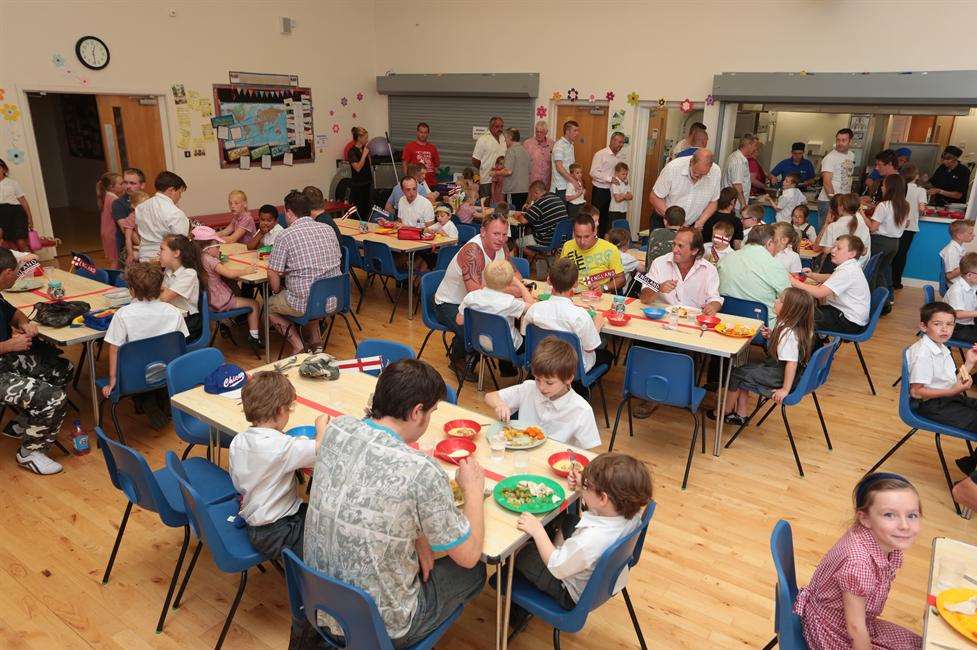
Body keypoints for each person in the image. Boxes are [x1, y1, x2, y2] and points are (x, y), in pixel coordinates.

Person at [302, 360, 487, 648]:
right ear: (417, 412)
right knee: (473, 571)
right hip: (380, 627)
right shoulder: (423, 470)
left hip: (319, 604)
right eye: (431, 412)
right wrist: (473, 490)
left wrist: (420, 538)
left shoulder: (338, 430)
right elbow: (469, 555)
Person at [507, 452, 653, 636]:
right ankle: (554, 542)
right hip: (602, 576)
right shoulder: (630, 511)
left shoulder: (590, 541)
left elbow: (556, 566)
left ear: (603, 498)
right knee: (568, 521)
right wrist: (583, 489)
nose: (584, 487)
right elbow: (598, 508)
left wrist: (537, 531)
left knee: (521, 551)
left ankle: (517, 607)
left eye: (587, 486)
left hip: (569, 591)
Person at [794, 473, 922, 649]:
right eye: (889, 515)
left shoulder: (879, 539)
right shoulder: (858, 564)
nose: (905, 525)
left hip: (854, 621)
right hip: (832, 631)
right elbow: (855, 627)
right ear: (865, 518)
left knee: (919, 644)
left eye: (912, 515)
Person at [229, 371, 328, 559]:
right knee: (328, 541)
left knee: (321, 516)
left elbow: (237, 481)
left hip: (256, 522)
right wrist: (322, 425)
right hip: (278, 532)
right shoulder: (281, 448)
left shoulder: (238, 441)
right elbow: (320, 449)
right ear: (281, 410)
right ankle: (310, 579)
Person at [0, 248, 71, 475]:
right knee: (54, 398)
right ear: (7, 272)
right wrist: (7, 346)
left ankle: (23, 423)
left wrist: (23, 323)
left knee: (62, 369)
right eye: (15, 273)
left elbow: (13, 313)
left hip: (5, 361)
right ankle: (30, 453)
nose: (16, 277)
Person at [434, 213, 523, 379]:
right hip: (449, 303)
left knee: (509, 314)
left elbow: (516, 274)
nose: (501, 239)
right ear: (483, 232)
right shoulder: (473, 251)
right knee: (479, 322)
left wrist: (517, 287)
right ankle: (458, 359)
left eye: (504, 234)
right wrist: (512, 291)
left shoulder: (501, 246)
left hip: (474, 300)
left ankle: (505, 360)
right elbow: (475, 293)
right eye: (496, 234)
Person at [102, 262, 188, 428]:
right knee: (156, 363)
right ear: (161, 287)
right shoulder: (173, 312)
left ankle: (145, 400)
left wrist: (113, 380)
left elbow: (114, 348)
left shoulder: (122, 314)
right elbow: (180, 343)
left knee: (134, 364)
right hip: (165, 370)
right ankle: (161, 397)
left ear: (132, 290)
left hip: (134, 375)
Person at [715, 287, 815, 425]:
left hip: (778, 376)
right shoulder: (789, 324)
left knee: (736, 373)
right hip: (775, 369)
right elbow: (782, 348)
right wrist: (772, 336)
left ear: (789, 309)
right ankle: (740, 414)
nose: (775, 301)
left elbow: (791, 363)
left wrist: (785, 389)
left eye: (780, 300)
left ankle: (724, 411)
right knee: (743, 370)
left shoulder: (789, 333)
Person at [486, 337, 600, 449]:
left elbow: (588, 452)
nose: (541, 387)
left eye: (549, 383)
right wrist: (500, 405)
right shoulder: (529, 388)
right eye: (537, 379)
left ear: (568, 379)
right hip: (522, 454)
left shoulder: (581, 410)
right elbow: (490, 396)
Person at [267, 191, 342, 355]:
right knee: (312, 290)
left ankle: (297, 345)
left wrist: (276, 290)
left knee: (269, 306)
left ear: (288, 212)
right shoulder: (328, 229)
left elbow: (273, 273)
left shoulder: (285, 235)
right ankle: (316, 342)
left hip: (306, 302)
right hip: (334, 299)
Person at [522, 258, 609, 373]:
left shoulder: (534, 309)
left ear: (548, 280)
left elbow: (525, 334)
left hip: (542, 361)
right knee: (607, 357)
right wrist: (597, 325)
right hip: (573, 367)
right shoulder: (580, 316)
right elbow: (590, 348)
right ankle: (580, 388)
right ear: (576, 284)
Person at [192, 226, 262, 346]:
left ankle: (228, 323)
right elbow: (229, 274)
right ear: (208, 249)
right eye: (217, 246)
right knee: (254, 304)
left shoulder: (196, 258)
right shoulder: (211, 260)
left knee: (234, 288)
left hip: (207, 302)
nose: (219, 248)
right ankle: (254, 337)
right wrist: (246, 270)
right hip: (219, 301)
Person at [456, 259, 534, 363]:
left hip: (479, 343)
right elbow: (533, 307)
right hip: (507, 347)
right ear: (509, 283)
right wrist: (519, 284)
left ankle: (506, 369)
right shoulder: (509, 303)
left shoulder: (471, 297)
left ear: (484, 277)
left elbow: (459, 321)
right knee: (531, 338)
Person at [791, 235, 870, 334]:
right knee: (805, 312)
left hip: (849, 322)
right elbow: (831, 278)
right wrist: (811, 275)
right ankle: (816, 343)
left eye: (839, 248)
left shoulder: (847, 271)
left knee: (798, 317)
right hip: (849, 315)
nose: (833, 251)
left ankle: (813, 347)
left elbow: (819, 293)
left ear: (852, 253)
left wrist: (794, 281)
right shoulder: (850, 266)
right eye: (833, 247)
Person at [717, 224, 790, 326]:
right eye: (775, 244)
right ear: (769, 243)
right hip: (760, 328)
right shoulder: (774, 265)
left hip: (724, 323)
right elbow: (789, 300)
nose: (777, 250)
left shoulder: (725, 259)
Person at [640, 227, 722, 315]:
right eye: (674, 244)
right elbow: (644, 298)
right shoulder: (659, 263)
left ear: (694, 250)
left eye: (680, 246)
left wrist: (713, 307)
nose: (674, 250)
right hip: (662, 317)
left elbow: (715, 299)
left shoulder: (709, 269)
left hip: (693, 320)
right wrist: (658, 287)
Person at [866, 174, 910, 311]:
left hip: (880, 242)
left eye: (884, 185)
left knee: (872, 273)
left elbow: (873, 228)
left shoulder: (884, 205)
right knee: (881, 272)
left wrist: (861, 214)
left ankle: (874, 305)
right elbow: (906, 224)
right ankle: (884, 303)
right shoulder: (905, 205)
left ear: (890, 188)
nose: (882, 187)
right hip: (895, 243)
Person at [654, 149, 721, 228]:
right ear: (691, 162)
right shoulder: (673, 168)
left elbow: (713, 202)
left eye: (703, 175)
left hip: (691, 225)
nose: (699, 178)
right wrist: (671, 218)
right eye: (696, 173)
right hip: (666, 221)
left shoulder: (716, 172)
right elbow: (655, 197)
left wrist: (701, 221)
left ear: (710, 167)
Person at [560, 214, 625, 291]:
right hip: (570, 293)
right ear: (573, 233)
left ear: (595, 232)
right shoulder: (568, 245)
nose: (582, 242)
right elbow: (560, 271)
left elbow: (621, 279)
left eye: (586, 236)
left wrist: (604, 287)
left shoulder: (610, 249)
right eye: (578, 237)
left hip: (596, 296)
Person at [158, 234, 204, 341]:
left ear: (176, 253)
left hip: (188, 322)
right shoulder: (168, 270)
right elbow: (160, 293)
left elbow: (163, 297)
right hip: (172, 317)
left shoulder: (189, 274)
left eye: (162, 249)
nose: (158, 253)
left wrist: (159, 290)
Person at [135, 171, 189, 262]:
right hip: (165, 260)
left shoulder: (140, 207)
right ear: (171, 190)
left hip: (144, 257)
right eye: (180, 192)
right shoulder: (174, 212)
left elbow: (138, 231)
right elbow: (181, 243)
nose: (180, 197)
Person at [891, 164, 927, 290]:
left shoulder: (899, 188)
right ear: (916, 176)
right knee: (902, 254)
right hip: (910, 226)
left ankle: (888, 279)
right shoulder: (920, 190)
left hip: (896, 224)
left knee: (893, 253)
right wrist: (923, 210)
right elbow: (922, 209)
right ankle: (896, 281)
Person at [815, 193, 870, 269]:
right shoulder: (861, 220)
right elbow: (864, 251)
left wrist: (826, 224)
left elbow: (825, 250)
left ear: (841, 207)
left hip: (838, 268)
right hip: (858, 265)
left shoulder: (833, 226)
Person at [816, 129, 856, 229]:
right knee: (825, 232)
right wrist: (835, 203)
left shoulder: (851, 155)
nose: (840, 143)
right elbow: (827, 182)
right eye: (838, 140)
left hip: (843, 202)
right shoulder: (830, 158)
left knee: (839, 233)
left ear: (850, 141)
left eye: (843, 140)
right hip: (829, 202)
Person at [590, 132, 627, 236]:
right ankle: (595, 239)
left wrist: (624, 179)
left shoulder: (620, 156)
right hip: (600, 191)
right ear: (612, 140)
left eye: (622, 143)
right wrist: (609, 179)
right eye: (619, 142)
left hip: (613, 192)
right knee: (597, 218)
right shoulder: (600, 154)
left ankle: (603, 240)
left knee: (608, 218)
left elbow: (619, 172)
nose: (621, 145)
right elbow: (592, 172)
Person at [516, 180, 568, 249]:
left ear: (536, 193)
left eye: (531, 194)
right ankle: (541, 257)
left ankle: (538, 257)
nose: (531, 197)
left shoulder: (539, 203)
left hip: (547, 241)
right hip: (562, 238)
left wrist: (517, 215)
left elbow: (523, 220)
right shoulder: (556, 197)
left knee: (517, 242)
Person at [112, 168, 145, 264]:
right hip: (129, 249)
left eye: (132, 183)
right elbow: (126, 230)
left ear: (142, 185)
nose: (128, 186)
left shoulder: (147, 201)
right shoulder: (118, 203)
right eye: (125, 183)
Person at [0, 158, 33, 252]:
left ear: (4, 169)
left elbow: (23, 201)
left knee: (21, 241)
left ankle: (31, 265)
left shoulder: (13, 183)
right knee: (9, 243)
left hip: (16, 213)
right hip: (1, 214)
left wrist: (30, 218)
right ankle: (17, 264)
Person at [944, 252, 977, 343]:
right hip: (956, 327)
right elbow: (958, 314)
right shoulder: (957, 290)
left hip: (968, 322)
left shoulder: (973, 284)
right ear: (969, 275)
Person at [472, 116, 507, 200]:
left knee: (499, 203)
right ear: (491, 127)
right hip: (487, 179)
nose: (500, 129)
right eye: (497, 126)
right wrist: (484, 168)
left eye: (502, 126)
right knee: (486, 203)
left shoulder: (504, 138)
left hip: (501, 179)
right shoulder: (483, 139)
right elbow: (475, 160)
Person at [723, 134, 758, 212]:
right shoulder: (738, 161)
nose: (755, 149)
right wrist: (743, 204)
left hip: (734, 203)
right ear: (749, 145)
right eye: (755, 146)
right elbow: (737, 185)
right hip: (735, 205)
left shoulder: (737, 157)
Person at [97, 172, 123, 269]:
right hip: (112, 234)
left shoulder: (106, 196)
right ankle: (111, 282)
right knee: (115, 262)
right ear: (112, 187)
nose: (123, 186)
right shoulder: (113, 199)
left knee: (113, 260)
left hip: (106, 233)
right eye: (121, 184)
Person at [401, 122, 440, 188]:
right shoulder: (409, 146)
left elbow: (436, 165)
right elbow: (405, 164)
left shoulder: (433, 147)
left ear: (428, 134)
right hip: (416, 184)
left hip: (431, 183)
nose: (423, 134)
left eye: (425, 132)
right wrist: (409, 181)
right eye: (421, 132)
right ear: (417, 132)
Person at [551, 120, 580, 204]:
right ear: (567, 131)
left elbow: (571, 167)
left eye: (577, 131)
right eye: (575, 131)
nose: (577, 133)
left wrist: (577, 181)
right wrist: (573, 181)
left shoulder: (571, 145)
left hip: (568, 185)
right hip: (560, 187)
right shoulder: (559, 145)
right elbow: (559, 167)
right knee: (559, 215)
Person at [347, 126, 373, 220]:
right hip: (358, 185)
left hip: (367, 183)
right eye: (365, 138)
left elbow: (368, 165)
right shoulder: (352, 152)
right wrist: (364, 155)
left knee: (367, 209)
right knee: (359, 211)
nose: (367, 139)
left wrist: (367, 155)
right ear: (359, 138)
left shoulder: (365, 149)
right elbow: (357, 168)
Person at [501, 128, 531, 209]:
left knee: (511, 214)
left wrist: (496, 173)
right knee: (519, 213)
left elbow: (508, 171)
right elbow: (529, 170)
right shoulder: (525, 151)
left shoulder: (510, 151)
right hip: (525, 190)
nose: (505, 141)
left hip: (513, 190)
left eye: (505, 138)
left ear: (510, 137)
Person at [940, 219, 974, 283]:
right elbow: (949, 276)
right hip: (956, 284)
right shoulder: (951, 251)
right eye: (970, 233)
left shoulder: (960, 247)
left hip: (962, 280)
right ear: (959, 236)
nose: (973, 235)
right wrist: (968, 265)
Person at [523, 120, 554, 188]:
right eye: (537, 131)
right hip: (531, 182)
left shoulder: (552, 144)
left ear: (546, 132)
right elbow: (522, 163)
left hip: (546, 182)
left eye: (541, 132)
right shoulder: (527, 144)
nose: (539, 134)